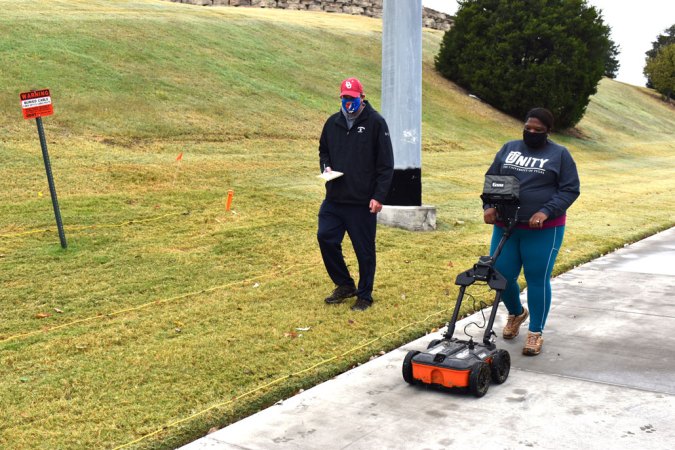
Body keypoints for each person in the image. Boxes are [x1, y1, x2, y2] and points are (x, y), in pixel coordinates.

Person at [483, 107, 580, 355]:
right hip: (507, 226)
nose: (532, 133)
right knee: (500, 276)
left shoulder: (559, 154)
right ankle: (516, 314)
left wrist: (546, 211)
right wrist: (489, 205)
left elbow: (570, 189)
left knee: (537, 278)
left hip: (543, 229)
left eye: (538, 130)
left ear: (548, 131)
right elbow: (492, 178)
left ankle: (535, 332)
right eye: (528, 128)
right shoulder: (509, 148)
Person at [317, 77, 394, 311]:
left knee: (364, 250)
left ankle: (364, 295)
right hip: (334, 198)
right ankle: (344, 284)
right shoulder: (332, 123)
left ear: (362, 97)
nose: (347, 102)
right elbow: (324, 151)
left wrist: (379, 196)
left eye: (351, 98)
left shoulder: (376, 123)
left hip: (362, 202)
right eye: (344, 98)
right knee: (325, 237)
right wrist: (326, 167)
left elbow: (385, 164)